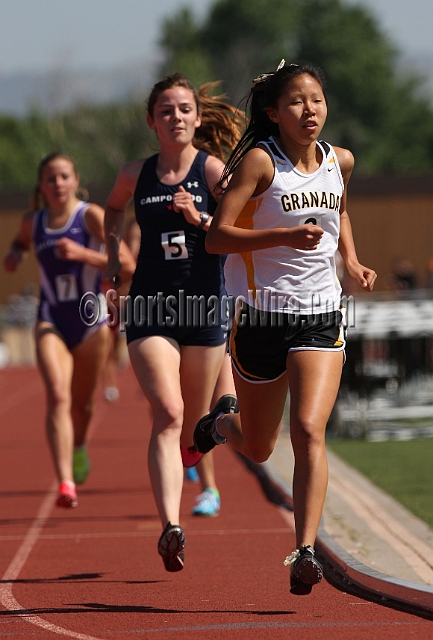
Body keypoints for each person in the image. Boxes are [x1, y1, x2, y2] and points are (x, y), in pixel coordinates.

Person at [193, 61, 377, 595]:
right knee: (257, 447)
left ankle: (303, 550)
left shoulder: (338, 159)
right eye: (296, 102)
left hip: (320, 314)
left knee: (310, 430)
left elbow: (338, 208)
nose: (309, 110)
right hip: (261, 317)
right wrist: (280, 237)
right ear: (274, 113)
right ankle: (218, 423)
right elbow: (218, 238)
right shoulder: (259, 162)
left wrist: (353, 258)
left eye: (316, 100)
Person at [104, 73, 245, 570]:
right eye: (166, 110)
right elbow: (112, 211)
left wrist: (201, 220)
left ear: (198, 117)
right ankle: (171, 526)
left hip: (204, 308)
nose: (176, 117)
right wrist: (111, 260)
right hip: (150, 307)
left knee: (190, 427)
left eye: (184, 109)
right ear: (152, 120)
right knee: (166, 411)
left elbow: (239, 228)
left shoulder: (212, 171)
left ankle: (196, 449)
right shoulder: (134, 174)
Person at [4, 152, 135, 508]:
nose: (58, 184)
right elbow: (19, 241)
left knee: (83, 404)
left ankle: (78, 445)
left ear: (76, 180)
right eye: (50, 178)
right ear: (42, 185)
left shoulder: (89, 215)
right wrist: (15, 255)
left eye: (64, 177)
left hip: (90, 322)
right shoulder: (35, 221)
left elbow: (127, 262)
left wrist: (83, 254)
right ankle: (64, 481)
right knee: (58, 396)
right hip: (51, 318)